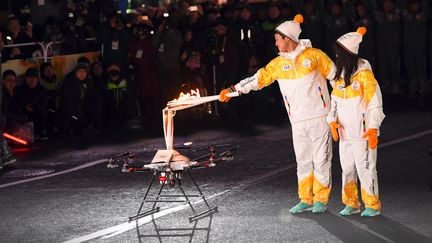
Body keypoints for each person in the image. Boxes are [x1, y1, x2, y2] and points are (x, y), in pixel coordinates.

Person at [219, 14, 336, 214]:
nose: (275, 43)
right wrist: (233, 90)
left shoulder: (315, 56)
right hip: (297, 120)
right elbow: (257, 80)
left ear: (288, 39)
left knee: (322, 159)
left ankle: (321, 200)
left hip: (319, 117)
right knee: (303, 160)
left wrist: (335, 112)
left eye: (277, 39)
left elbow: (337, 79)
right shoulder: (277, 64)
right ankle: (306, 199)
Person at [327, 27, 385, 217]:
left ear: (347, 54)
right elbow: (334, 102)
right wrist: (332, 121)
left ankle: (372, 205)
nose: (335, 56)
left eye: (338, 53)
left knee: (366, 170)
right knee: (348, 169)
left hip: (363, 134)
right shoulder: (339, 77)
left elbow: (375, 104)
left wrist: (373, 127)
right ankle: (351, 203)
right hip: (345, 135)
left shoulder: (364, 76)